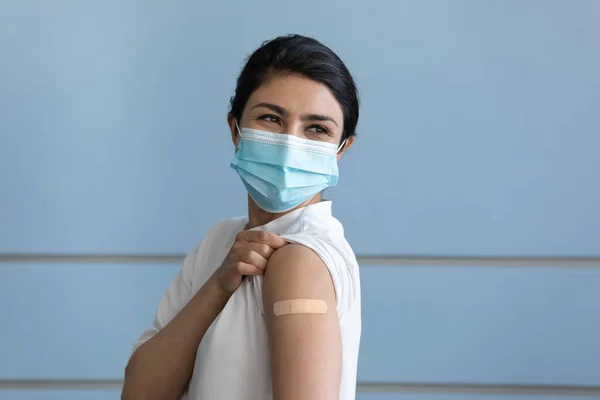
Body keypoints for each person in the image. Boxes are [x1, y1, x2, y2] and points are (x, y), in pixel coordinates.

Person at [122, 34, 361, 400]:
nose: (289, 143)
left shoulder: (300, 260)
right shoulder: (221, 242)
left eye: (317, 129)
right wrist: (219, 285)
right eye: (270, 118)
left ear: (341, 149)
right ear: (236, 130)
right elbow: (140, 392)